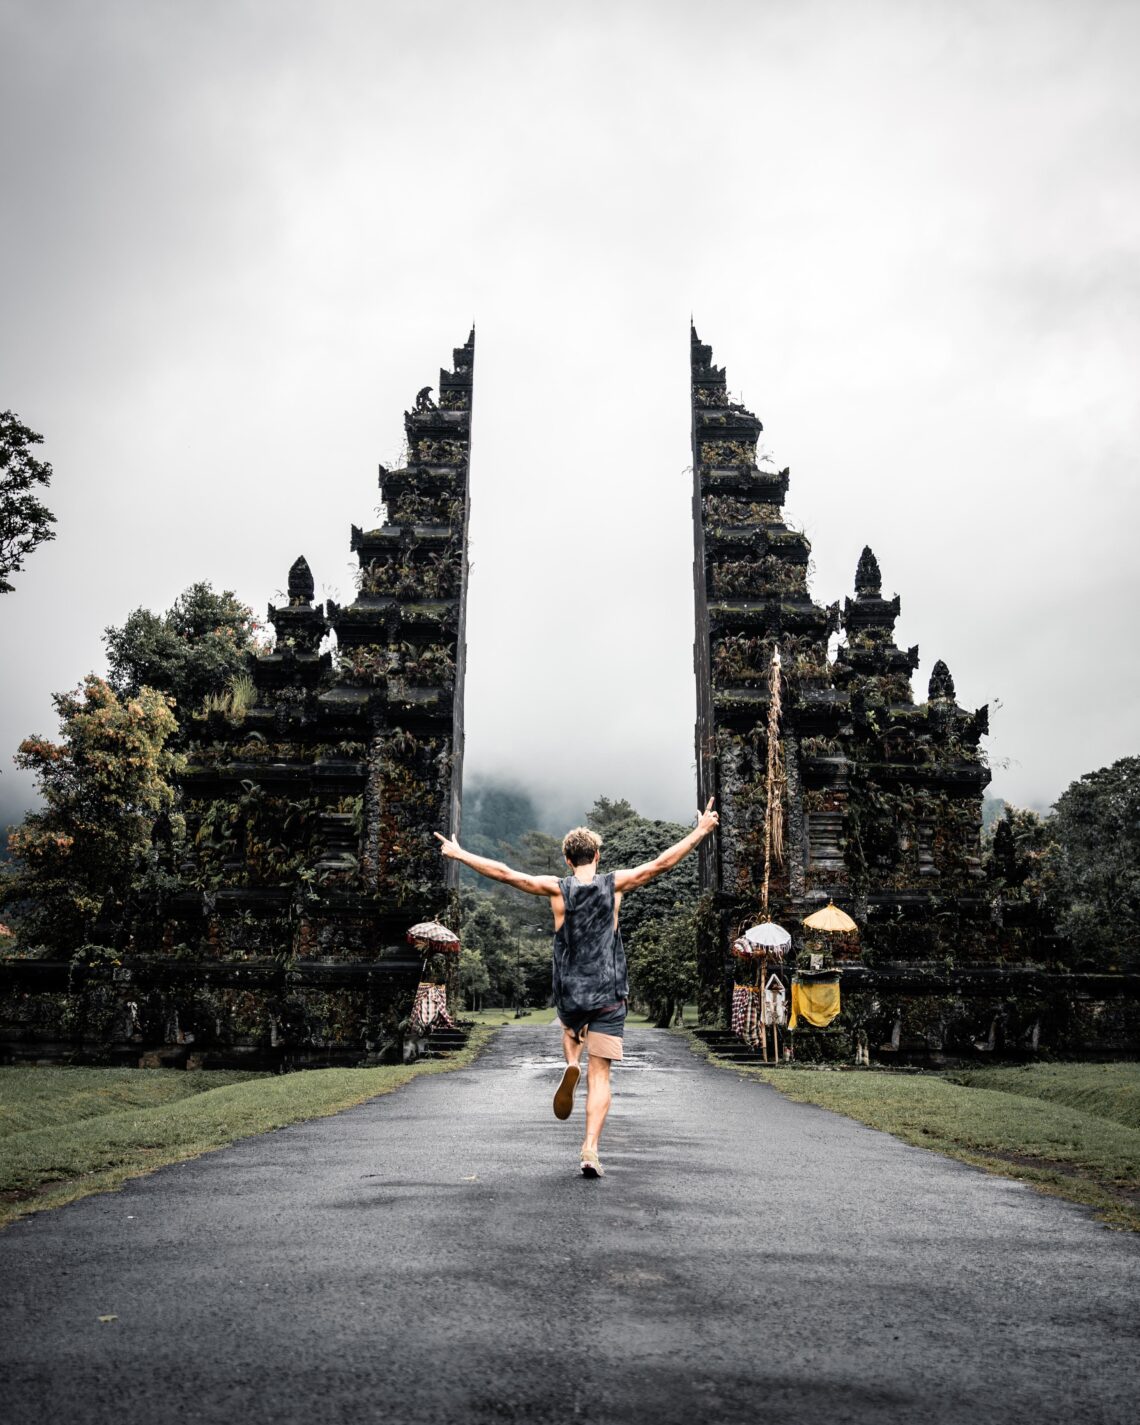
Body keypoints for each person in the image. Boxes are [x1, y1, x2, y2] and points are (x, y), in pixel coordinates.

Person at [434, 799, 719, 1179]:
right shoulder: (615, 884)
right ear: (597, 855)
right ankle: (590, 1149)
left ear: (568, 860)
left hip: (571, 992)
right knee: (601, 1076)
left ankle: (571, 1062)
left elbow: (506, 874)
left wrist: (459, 853)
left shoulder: (556, 889)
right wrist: (700, 831)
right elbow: (661, 864)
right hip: (608, 993)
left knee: (571, 1032)